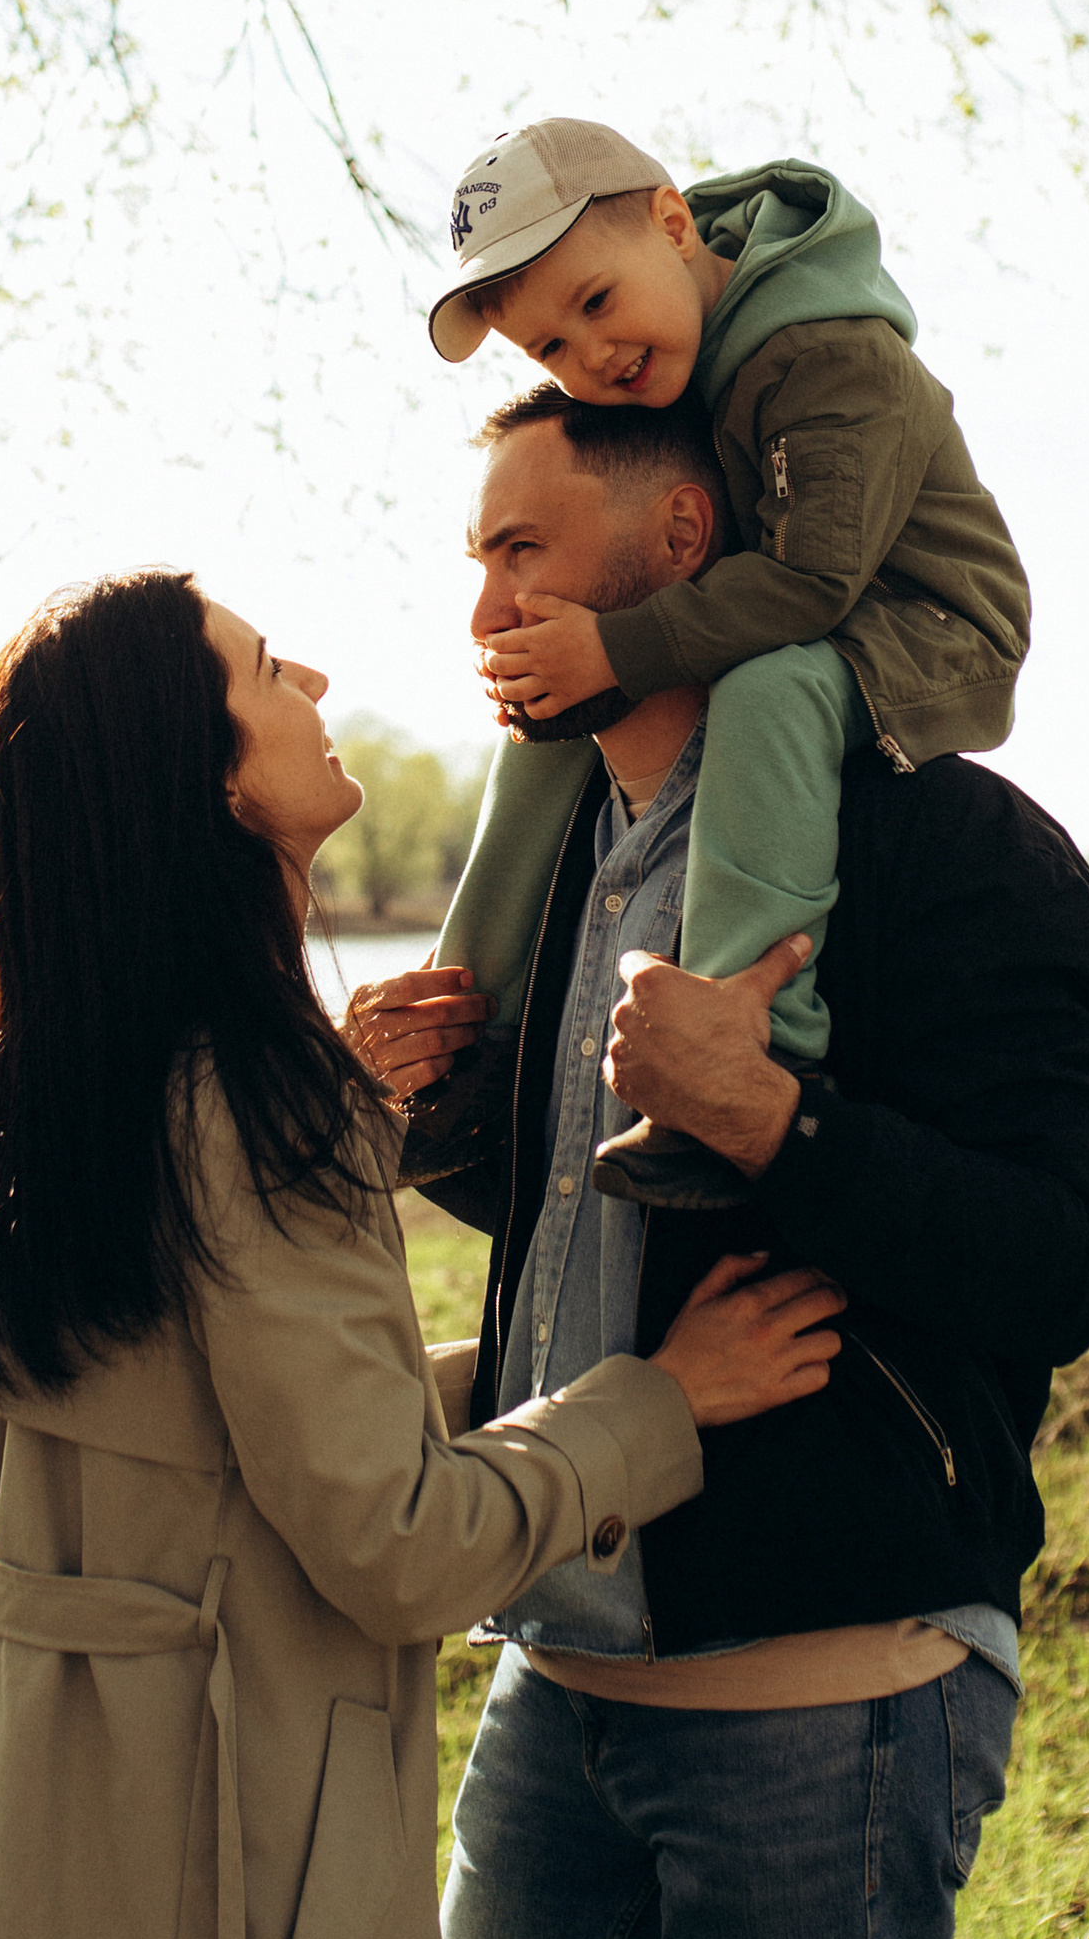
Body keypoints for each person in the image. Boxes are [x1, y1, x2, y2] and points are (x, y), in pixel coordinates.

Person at [0, 569, 846, 1939]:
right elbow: (395, 1548)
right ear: (207, 782)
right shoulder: (248, 1105)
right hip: (218, 1838)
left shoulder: (62, 1069)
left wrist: (516, 1355)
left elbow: (225, 1448)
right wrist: (659, 1405)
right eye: (257, 668)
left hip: (60, 1812)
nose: (309, 672)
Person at [348, 389, 1089, 1939]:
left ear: (681, 537)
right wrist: (432, 1114)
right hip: (562, 1680)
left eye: (522, 549)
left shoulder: (949, 850)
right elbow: (573, 1242)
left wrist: (768, 1117)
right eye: (472, 558)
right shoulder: (549, 868)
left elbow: (1052, 1268)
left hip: (828, 1695)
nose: (479, 597)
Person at [425, 118, 1031, 1197]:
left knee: (769, 683)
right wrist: (584, 660)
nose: (590, 359)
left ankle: (750, 1035)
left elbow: (809, 584)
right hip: (796, 612)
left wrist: (615, 641)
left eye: (596, 303)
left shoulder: (825, 352)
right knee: (552, 707)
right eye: (550, 350)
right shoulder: (679, 361)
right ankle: (468, 1034)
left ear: (672, 222)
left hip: (929, 628)